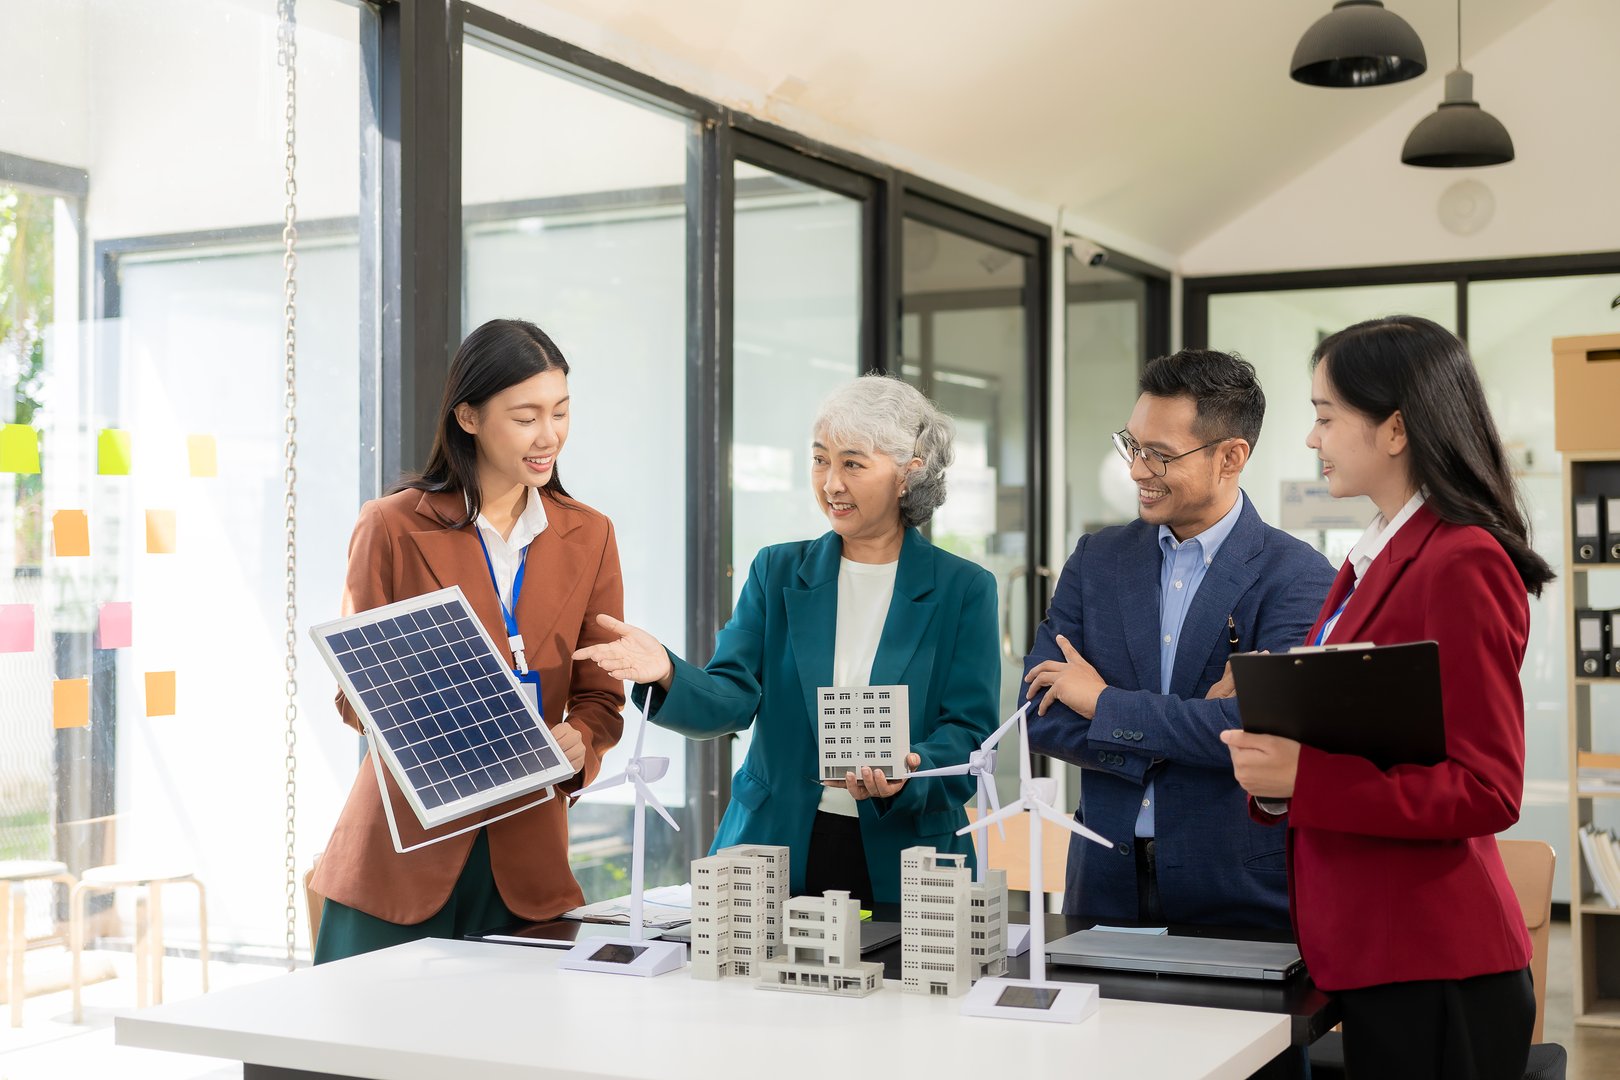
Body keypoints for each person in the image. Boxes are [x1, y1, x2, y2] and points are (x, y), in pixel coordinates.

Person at [1221, 316, 1550, 1079]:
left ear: (1395, 428)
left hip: (1436, 962)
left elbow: (1487, 788)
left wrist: (1304, 778)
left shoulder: (1461, 560)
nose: (1312, 439)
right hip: (1377, 954)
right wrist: (1276, 773)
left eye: (1326, 417)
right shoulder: (1378, 555)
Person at [574, 374, 997, 905]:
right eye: (820, 459)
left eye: (853, 463)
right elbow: (731, 696)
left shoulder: (964, 589)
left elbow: (968, 732)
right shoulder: (777, 570)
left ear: (907, 475)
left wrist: (909, 772)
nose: (831, 484)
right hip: (773, 844)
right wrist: (665, 671)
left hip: (906, 854)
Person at [310, 318, 624, 963]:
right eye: (526, 417)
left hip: (528, 861)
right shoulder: (391, 527)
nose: (549, 437)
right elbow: (351, 695)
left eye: (560, 413)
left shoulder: (589, 536)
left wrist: (580, 741)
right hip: (401, 857)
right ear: (469, 418)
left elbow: (601, 697)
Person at [1023, 349, 1334, 927]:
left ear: (1231, 457)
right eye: (1132, 446)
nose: (1137, 470)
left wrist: (1102, 703)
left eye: (1160, 455)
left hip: (1238, 891)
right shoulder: (1098, 560)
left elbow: (1272, 736)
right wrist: (1199, 727)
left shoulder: (1299, 577)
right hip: (1103, 884)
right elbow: (1038, 715)